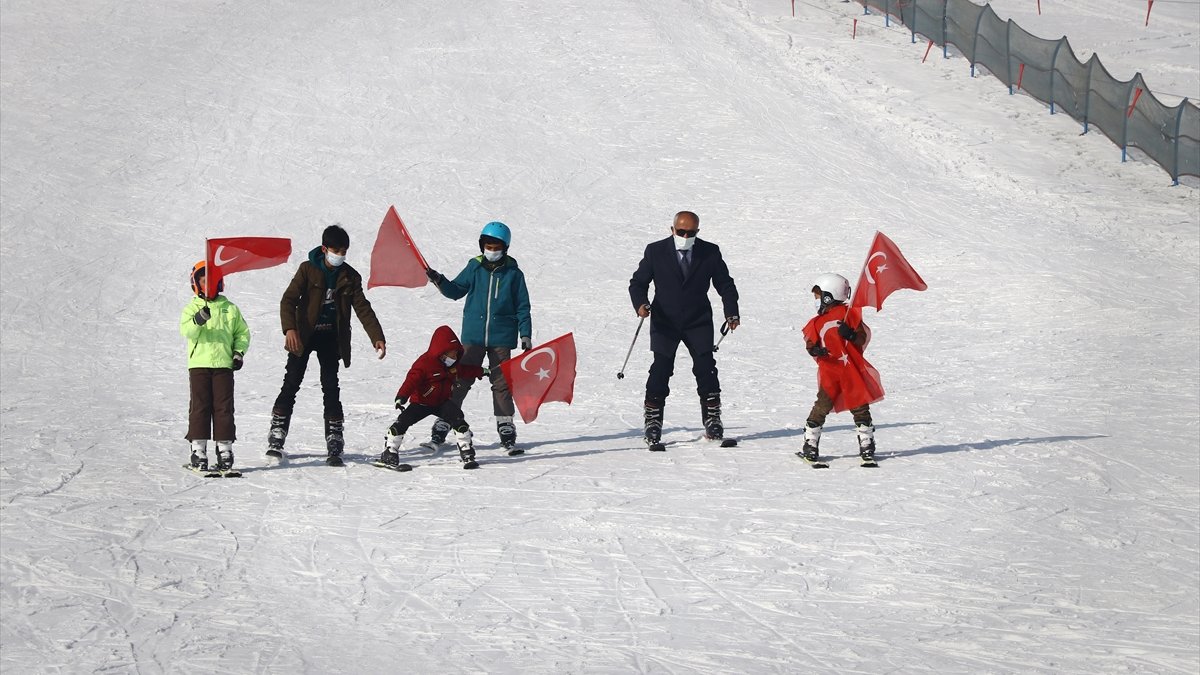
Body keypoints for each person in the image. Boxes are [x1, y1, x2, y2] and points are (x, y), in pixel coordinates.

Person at [268, 224, 387, 465]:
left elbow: (362, 307)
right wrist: (290, 328)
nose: (340, 255)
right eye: (336, 250)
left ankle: (334, 438)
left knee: (331, 387)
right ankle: (277, 436)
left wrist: (377, 336)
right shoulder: (307, 270)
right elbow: (288, 300)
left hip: (331, 337)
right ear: (324, 249)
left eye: (344, 251)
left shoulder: (349, 276)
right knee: (291, 383)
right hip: (303, 335)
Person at [628, 211, 740, 449]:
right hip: (664, 321)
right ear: (672, 229)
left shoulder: (710, 252)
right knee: (661, 368)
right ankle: (653, 421)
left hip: (697, 320)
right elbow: (638, 282)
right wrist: (640, 304)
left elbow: (725, 284)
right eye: (681, 232)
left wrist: (731, 311)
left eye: (690, 233)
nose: (685, 236)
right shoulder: (655, 251)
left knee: (705, 367)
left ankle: (712, 418)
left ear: (697, 232)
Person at [423, 221, 533, 456]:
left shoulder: (513, 274)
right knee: (460, 379)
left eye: (496, 246)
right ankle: (444, 421)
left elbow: (523, 306)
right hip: (473, 336)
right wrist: (439, 280)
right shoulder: (474, 267)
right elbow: (455, 291)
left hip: (502, 337)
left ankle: (505, 427)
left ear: (505, 248)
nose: (491, 250)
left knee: (501, 383)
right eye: (487, 245)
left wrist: (525, 334)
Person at [799, 273, 884, 466]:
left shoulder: (849, 316)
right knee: (822, 406)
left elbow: (862, 338)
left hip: (850, 371)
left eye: (818, 296)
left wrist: (852, 335)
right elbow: (811, 343)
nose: (816, 301)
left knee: (860, 406)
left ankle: (866, 443)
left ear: (829, 296)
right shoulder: (817, 322)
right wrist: (815, 349)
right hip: (830, 372)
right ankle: (810, 443)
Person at [378, 325, 485, 469]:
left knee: (458, 418)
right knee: (402, 422)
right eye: (451, 355)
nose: (454, 358)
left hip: (441, 402)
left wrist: (481, 371)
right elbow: (411, 381)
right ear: (441, 353)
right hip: (421, 403)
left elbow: (464, 370)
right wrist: (401, 397)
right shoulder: (424, 364)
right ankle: (389, 452)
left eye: (455, 354)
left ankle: (466, 451)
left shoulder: (452, 364)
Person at [180, 261, 250, 473]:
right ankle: (198, 449)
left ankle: (224, 449)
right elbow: (187, 332)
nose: (208, 285)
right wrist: (199, 319)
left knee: (223, 408)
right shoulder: (192, 307)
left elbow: (242, 333)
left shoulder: (230, 309)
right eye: (203, 281)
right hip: (199, 364)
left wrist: (238, 353)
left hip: (223, 366)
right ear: (196, 284)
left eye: (212, 281)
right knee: (200, 407)